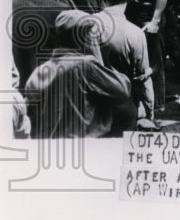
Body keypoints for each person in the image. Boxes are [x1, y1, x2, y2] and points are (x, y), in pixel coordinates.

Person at [25, 10, 136, 138]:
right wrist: (96, 54)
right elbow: (123, 90)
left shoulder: (39, 72)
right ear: (84, 37)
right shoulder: (85, 66)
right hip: (85, 146)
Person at [94, 0, 156, 128]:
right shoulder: (135, 33)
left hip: (91, 107)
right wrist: (149, 114)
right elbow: (143, 79)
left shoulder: (86, 24)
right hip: (122, 108)